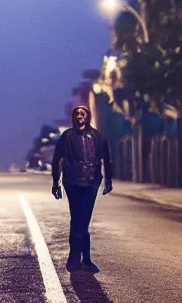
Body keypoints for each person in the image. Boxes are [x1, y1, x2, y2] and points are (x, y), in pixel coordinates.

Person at [51, 106, 113, 273]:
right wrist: (56, 182)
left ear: (88, 116)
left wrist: (108, 180)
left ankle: (83, 258)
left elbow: (106, 159)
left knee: (83, 219)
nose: (79, 116)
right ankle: (76, 258)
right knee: (77, 218)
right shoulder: (67, 136)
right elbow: (57, 159)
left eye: (82, 113)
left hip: (92, 183)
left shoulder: (98, 136)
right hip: (72, 182)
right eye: (76, 114)